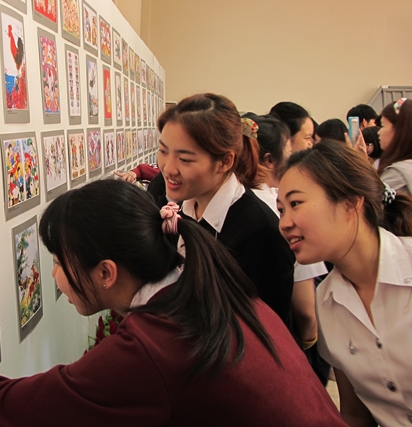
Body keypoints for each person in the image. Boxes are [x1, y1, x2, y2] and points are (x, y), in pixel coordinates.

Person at [0, 180, 345, 427]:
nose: (53, 278)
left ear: (106, 272)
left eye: (60, 263)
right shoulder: (202, 286)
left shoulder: (154, 346)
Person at [277, 140, 412, 427]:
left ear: (350, 203)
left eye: (295, 204)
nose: (284, 223)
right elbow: (354, 413)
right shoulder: (327, 301)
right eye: (281, 210)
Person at [149, 93, 295, 326]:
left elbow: (270, 327)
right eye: (163, 151)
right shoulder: (181, 211)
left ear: (225, 161)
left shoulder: (261, 232)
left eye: (185, 159)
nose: (168, 168)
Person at [244, 114, 330, 384]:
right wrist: (308, 345)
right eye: (291, 148)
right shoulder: (273, 210)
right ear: (270, 159)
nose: (286, 222)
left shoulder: (245, 204)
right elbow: (306, 311)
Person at [378, 97, 412, 195]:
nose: (379, 132)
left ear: (399, 129)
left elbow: (371, 202)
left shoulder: (398, 174)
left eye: (383, 125)